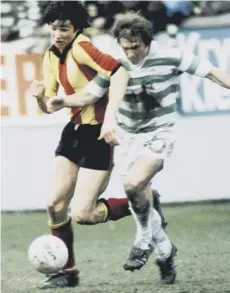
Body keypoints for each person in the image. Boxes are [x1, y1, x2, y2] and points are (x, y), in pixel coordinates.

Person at [62, 11, 229, 285]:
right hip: (127, 139)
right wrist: (61, 101)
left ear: (147, 41)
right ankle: (164, 251)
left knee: (132, 184)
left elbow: (212, 73)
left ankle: (143, 240)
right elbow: (90, 94)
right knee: (137, 191)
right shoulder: (116, 65)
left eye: (135, 47)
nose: (130, 53)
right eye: (125, 47)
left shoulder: (172, 56)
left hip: (159, 133)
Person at [30, 2, 168, 289]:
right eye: (54, 28)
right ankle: (66, 272)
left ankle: (144, 202)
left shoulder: (82, 47)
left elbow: (118, 70)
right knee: (54, 204)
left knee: (83, 214)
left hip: (97, 137)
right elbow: (52, 107)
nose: (57, 34)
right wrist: (40, 97)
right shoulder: (50, 55)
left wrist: (110, 119)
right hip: (74, 132)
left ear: (77, 27)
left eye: (64, 28)